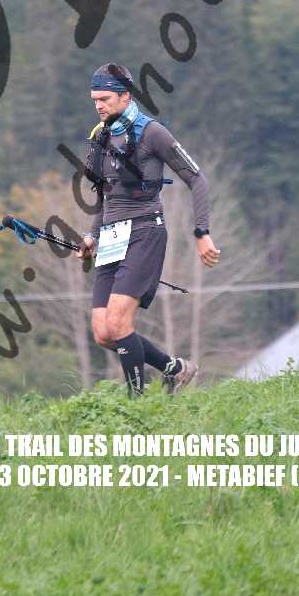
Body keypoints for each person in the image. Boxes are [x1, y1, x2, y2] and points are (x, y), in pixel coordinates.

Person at [78, 62, 220, 395]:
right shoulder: (100, 136)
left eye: (105, 99)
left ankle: (137, 405)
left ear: (125, 96)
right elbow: (104, 196)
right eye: (95, 100)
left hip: (144, 232)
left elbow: (197, 179)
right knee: (103, 332)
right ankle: (176, 370)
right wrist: (91, 235)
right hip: (111, 237)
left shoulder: (152, 132)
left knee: (118, 323)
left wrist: (202, 233)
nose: (98, 106)